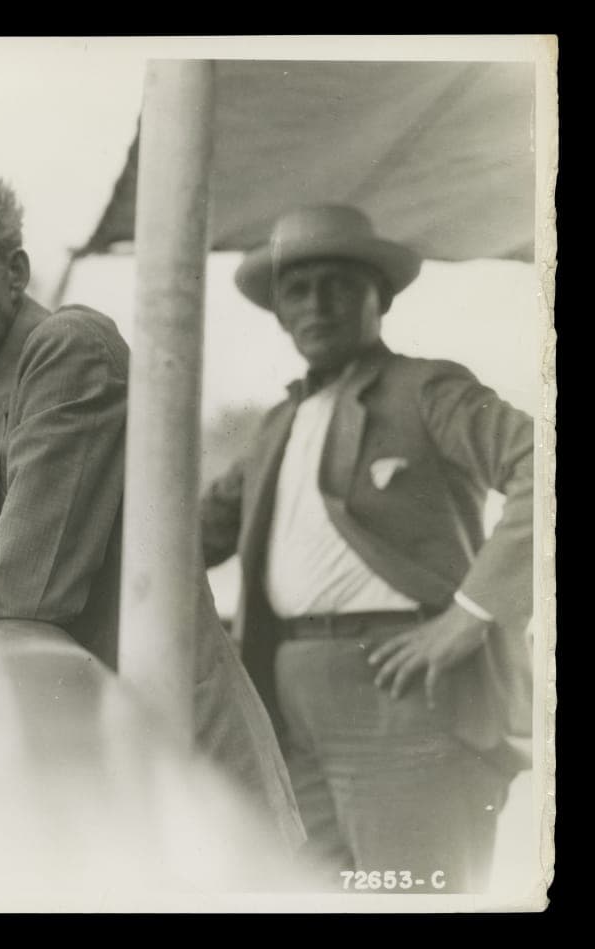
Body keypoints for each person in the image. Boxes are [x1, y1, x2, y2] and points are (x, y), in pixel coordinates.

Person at [0, 180, 302, 845]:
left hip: (190, 766)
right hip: (135, 757)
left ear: (16, 272)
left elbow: (32, 588)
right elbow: (13, 544)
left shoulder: (66, 347)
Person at [201, 204, 534, 892]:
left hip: (399, 690)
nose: (316, 304)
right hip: (286, 698)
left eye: (340, 285)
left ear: (379, 297)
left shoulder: (426, 388)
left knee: (411, 891)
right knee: (314, 891)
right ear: (279, 313)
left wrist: (470, 616)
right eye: (298, 289)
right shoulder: (277, 424)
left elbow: (543, 463)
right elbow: (192, 535)